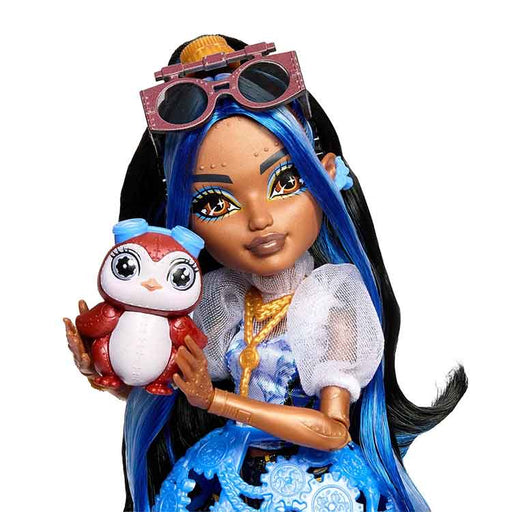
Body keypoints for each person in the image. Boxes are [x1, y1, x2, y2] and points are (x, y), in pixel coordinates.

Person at [65, 35, 467, 511]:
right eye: (215, 203)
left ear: (326, 176)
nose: (259, 220)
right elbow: (172, 388)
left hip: (319, 488)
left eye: (286, 182)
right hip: (222, 477)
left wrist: (217, 402)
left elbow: (332, 431)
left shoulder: (332, 305)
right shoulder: (220, 299)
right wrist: (112, 372)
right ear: (184, 223)